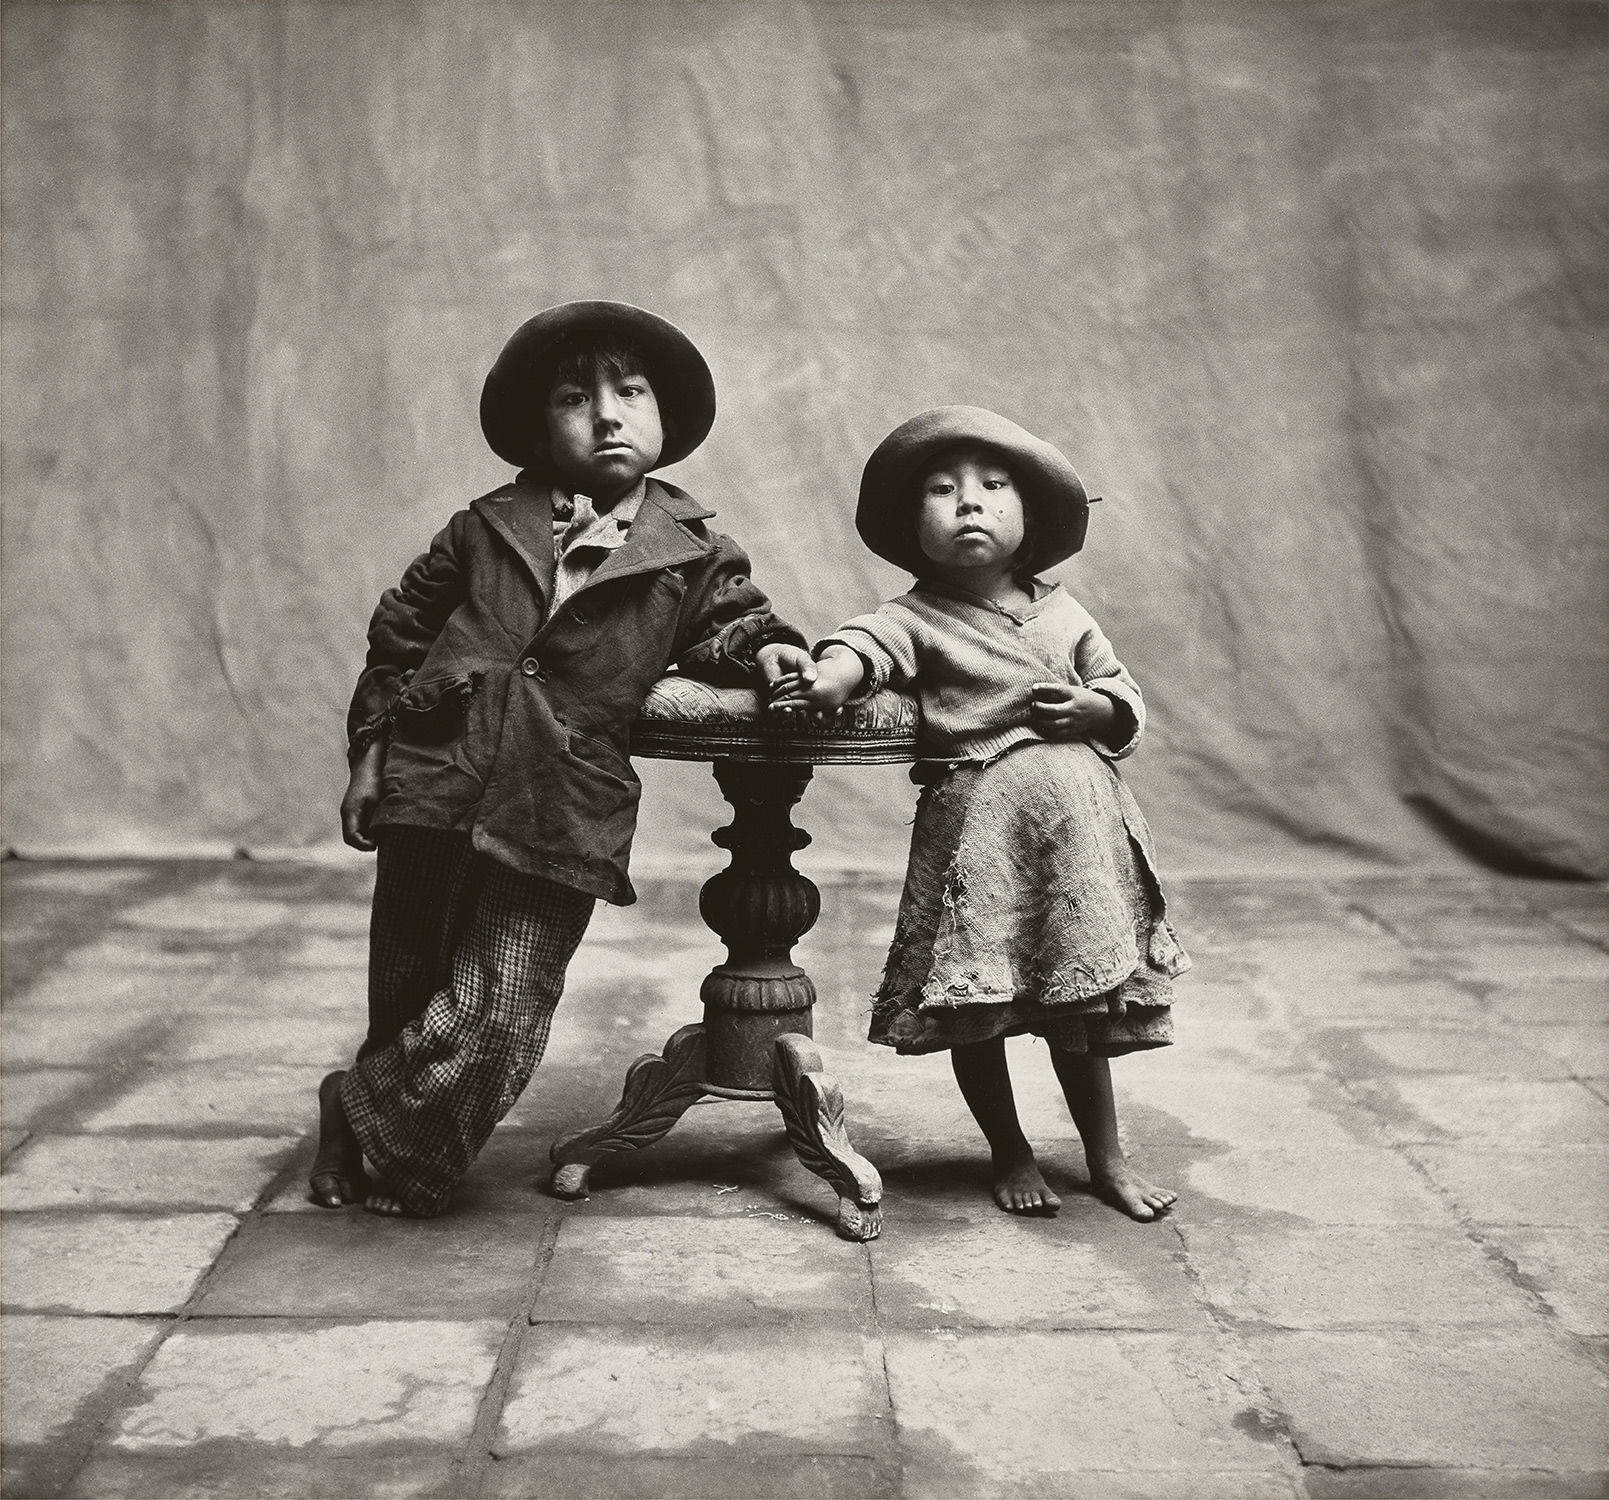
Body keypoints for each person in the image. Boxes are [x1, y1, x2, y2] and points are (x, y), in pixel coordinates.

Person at [311, 300, 804, 1216]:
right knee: (409, 983)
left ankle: (357, 1109)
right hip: (437, 771)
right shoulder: (482, 527)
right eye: (576, 398)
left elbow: (732, 625)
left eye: (630, 392)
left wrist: (770, 650)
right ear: (540, 427)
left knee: (501, 1005)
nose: (607, 415)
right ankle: (366, 1119)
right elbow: (399, 640)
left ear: (664, 417)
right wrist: (370, 755)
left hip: (562, 796)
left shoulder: (692, 550)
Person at [760, 406, 1189, 1219]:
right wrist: (831, 677)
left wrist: (1099, 711)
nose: (969, 503)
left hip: (1078, 849)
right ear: (908, 521)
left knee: (1081, 1008)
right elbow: (863, 645)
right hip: (978, 844)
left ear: (1028, 519)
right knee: (978, 1008)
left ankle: (1105, 1156)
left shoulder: (1064, 614)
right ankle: (1011, 1151)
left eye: (993, 487)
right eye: (942, 489)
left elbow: (1124, 689)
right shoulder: (914, 616)